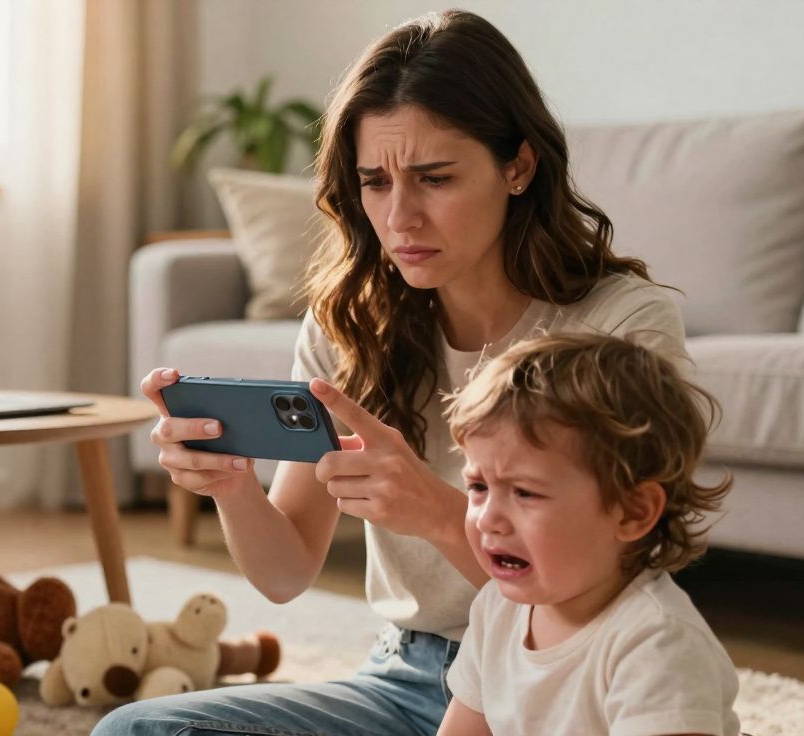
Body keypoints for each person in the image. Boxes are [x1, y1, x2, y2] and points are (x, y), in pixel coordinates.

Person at [100, 10, 689, 736]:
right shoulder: (350, 325)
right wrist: (232, 488)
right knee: (138, 732)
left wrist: (440, 513)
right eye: (374, 182)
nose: (400, 216)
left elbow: (616, 588)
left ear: (519, 165)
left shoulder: (625, 325)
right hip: (410, 681)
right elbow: (285, 575)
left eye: (434, 178)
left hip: (570, 689)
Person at [439, 334, 738, 735]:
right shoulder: (496, 609)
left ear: (633, 512)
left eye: (525, 492)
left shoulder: (656, 644)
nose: (489, 518)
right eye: (478, 487)